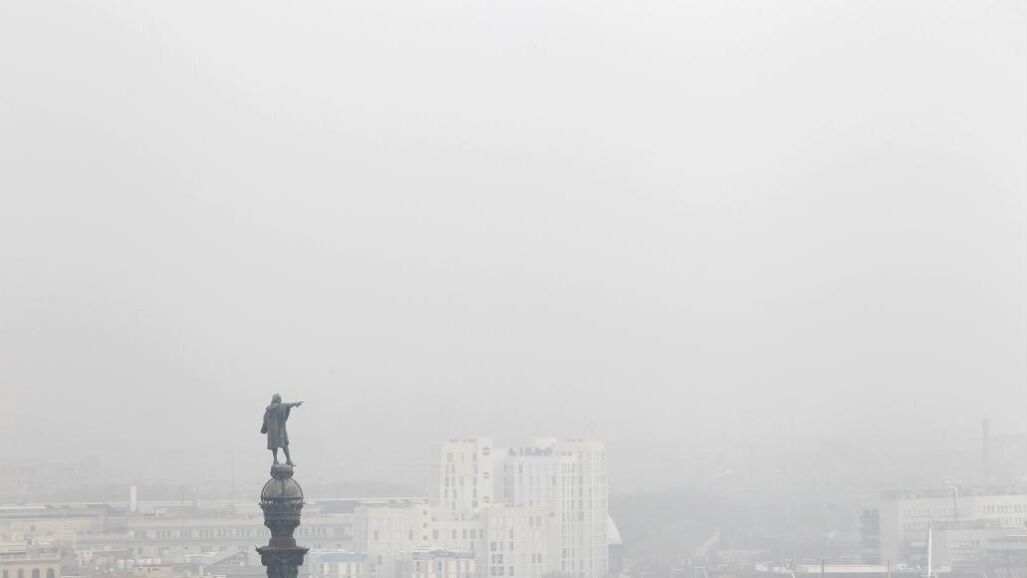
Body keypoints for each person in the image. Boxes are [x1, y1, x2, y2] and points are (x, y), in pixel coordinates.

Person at [261, 394, 303, 465]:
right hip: (280, 430)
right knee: (285, 444)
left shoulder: (268, 410)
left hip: (272, 431)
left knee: (274, 445)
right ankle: (288, 459)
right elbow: (289, 405)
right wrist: (296, 404)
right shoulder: (281, 406)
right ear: (278, 399)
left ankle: (275, 459)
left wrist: (264, 428)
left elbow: (265, 420)